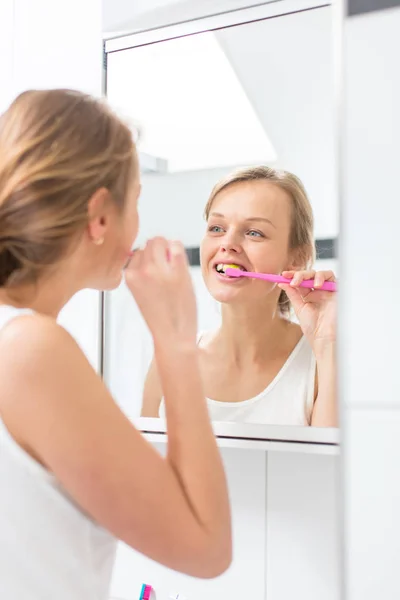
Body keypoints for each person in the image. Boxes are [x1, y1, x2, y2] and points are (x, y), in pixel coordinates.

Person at [0, 89, 232, 600]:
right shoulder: (31, 350)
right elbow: (208, 547)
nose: (138, 226)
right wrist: (174, 340)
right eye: (137, 201)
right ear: (101, 215)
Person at [142, 166, 337, 427]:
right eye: (216, 228)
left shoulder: (323, 363)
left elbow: (326, 467)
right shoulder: (167, 362)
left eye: (254, 232)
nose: (227, 243)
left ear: (297, 258)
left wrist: (329, 345)